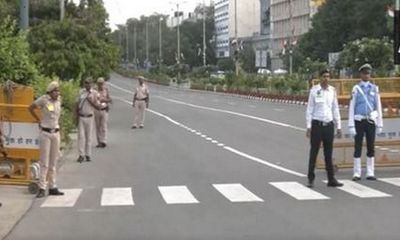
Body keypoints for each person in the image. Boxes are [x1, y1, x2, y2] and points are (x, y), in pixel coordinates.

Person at [305, 70, 343, 188]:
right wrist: (308, 126)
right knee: (314, 152)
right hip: (317, 125)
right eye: (324, 76)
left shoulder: (332, 91)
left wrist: (339, 126)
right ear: (320, 78)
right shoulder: (315, 90)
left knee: (328, 153)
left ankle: (331, 179)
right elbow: (310, 109)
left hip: (329, 125)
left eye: (328, 76)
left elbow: (335, 108)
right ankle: (311, 178)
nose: (326, 78)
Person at [29, 81, 64, 198]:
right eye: (55, 91)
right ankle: (42, 187)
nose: (57, 93)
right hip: (45, 132)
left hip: (56, 132)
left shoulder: (59, 100)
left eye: (58, 91)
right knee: (44, 162)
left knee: (53, 161)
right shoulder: (44, 100)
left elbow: (58, 117)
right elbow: (31, 107)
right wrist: (38, 119)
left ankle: (52, 186)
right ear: (50, 92)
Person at [348, 63, 383, 181]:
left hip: (371, 121)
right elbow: (352, 106)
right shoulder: (356, 88)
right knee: (357, 146)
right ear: (360, 74)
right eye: (364, 73)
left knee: (371, 146)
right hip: (359, 120)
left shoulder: (374, 88)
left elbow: (378, 105)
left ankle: (370, 172)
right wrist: (351, 124)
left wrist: (380, 123)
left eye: (368, 73)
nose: (366, 75)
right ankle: (357, 173)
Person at [76, 78, 102, 163]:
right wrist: (75, 115)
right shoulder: (81, 92)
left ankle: (88, 154)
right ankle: (81, 155)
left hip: (90, 117)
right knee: (81, 137)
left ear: (91, 84)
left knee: (89, 137)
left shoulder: (94, 93)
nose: (87, 84)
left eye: (89, 83)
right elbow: (77, 104)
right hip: (82, 116)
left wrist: (90, 101)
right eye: (86, 83)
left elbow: (98, 106)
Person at [94, 77, 111, 148]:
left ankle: (104, 141)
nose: (100, 85)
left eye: (102, 83)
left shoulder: (106, 90)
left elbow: (109, 99)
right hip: (97, 109)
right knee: (98, 127)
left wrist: (105, 100)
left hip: (104, 109)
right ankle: (99, 141)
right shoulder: (94, 91)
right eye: (99, 83)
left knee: (104, 126)